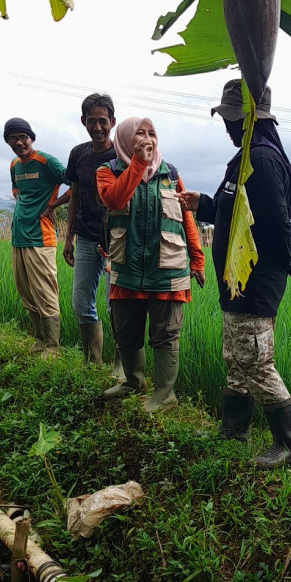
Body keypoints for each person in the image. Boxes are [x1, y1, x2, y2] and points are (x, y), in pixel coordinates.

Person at [178, 79, 291, 469]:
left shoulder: (262, 160)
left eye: (232, 118)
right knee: (236, 358)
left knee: (255, 360)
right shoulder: (246, 158)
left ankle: (290, 443)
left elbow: (277, 222)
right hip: (237, 282)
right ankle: (234, 431)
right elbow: (236, 211)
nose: (227, 126)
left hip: (254, 281)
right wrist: (204, 204)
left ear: (252, 119)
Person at [95, 116, 205, 410]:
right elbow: (115, 200)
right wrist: (138, 164)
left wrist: (197, 259)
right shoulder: (107, 171)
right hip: (127, 267)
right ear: (125, 139)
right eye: (139, 133)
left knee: (165, 333)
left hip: (167, 269)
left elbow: (186, 218)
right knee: (125, 330)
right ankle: (134, 382)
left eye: (152, 133)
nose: (147, 139)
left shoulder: (171, 174)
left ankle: (165, 395)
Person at [63, 93, 122, 372]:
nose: (97, 127)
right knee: (80, 302)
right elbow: (74, 196)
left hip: (117, 240)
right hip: (86, 236)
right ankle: (93, 363)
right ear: (83, 121)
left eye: (102, 121)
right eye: (91, 121)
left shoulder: (121, 154)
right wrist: (68, 238)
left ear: (112, 121)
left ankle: (122, 366)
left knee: (117, 305)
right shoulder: (78, 154)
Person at [4, 117, 69, 356]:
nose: (19, 142)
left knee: (44, 291)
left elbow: (75, 184)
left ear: (31, 138)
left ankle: (52, 347)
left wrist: (53, 205)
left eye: (23, 137)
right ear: (8, 142)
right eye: (13, 138)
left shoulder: (46, 161)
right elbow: (16, 189)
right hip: (18, 237)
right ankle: (40, 341)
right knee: (26, 291)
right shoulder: (14, 165)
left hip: (41, 237)